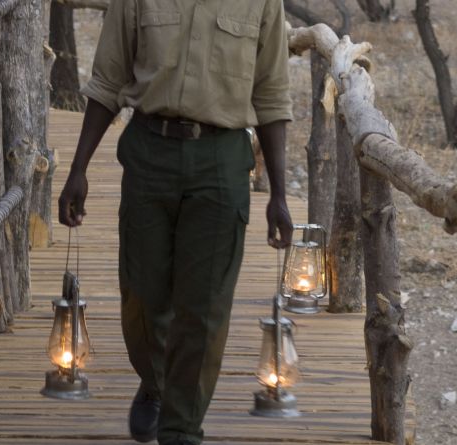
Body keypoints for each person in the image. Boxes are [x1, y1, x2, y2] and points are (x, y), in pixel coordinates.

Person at [57, 0, 293, 444]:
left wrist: (279, 194)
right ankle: (157, 382)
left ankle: (182, 428)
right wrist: (78, 169)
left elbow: (271, 93)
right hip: (149, 152)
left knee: (204, 307)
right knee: (141, 297)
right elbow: (108, 79)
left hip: (221, 162)